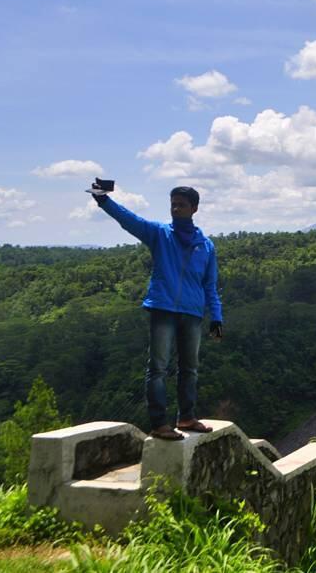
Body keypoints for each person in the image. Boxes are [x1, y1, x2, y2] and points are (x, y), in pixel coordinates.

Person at [93, 184, 223, 440]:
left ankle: (186, 417)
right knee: (158, 368)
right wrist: (103, 200)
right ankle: (160, 423)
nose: (175, 208)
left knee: (190, 368)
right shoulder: (160, 234)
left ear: (194, 208)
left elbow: (210, 284)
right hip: (162, 308)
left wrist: (217, 317)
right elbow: (130, 221)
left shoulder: (205, 246)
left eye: (181, 205)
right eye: (173, 204)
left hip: (193, 313)